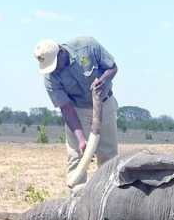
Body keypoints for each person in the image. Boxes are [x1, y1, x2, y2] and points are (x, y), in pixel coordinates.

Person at [33, 37, 119, 186]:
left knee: (108, 155)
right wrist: (81, 139)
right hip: (77, 110)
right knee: (76, 156)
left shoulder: (87, 46)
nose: (55, 70)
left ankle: (108, 192)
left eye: (55, 64)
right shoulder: (50, 78)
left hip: (104, 103)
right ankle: (75, 197)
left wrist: (103, 80)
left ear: (61, 52)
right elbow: (66, 108)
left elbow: (113, 68)